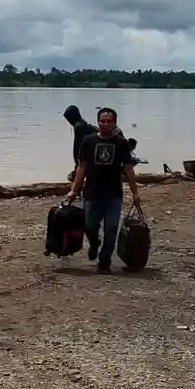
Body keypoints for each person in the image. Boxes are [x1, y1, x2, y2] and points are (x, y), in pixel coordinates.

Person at [63, 107, 141, 275]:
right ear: (98, 122)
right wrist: (74, 190)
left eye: (108, 121)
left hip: (114, 195)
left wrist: (135, 192)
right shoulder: (88, 141)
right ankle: (94, 243)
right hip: (92, 193)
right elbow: (82, 167)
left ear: (114, 123)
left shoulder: (120, 143)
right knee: (90, 228)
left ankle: (104, 262)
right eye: (102, 121)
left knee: (111, 230)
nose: (105, 124)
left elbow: (128, 169)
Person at [63, 105, 96, 180]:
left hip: (87, 159)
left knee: (72, 178)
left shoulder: (79, 127)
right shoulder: (82, 123)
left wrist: (77, 165)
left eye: (68, 119)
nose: (68, 122)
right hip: (90, 157)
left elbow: (79, 147)